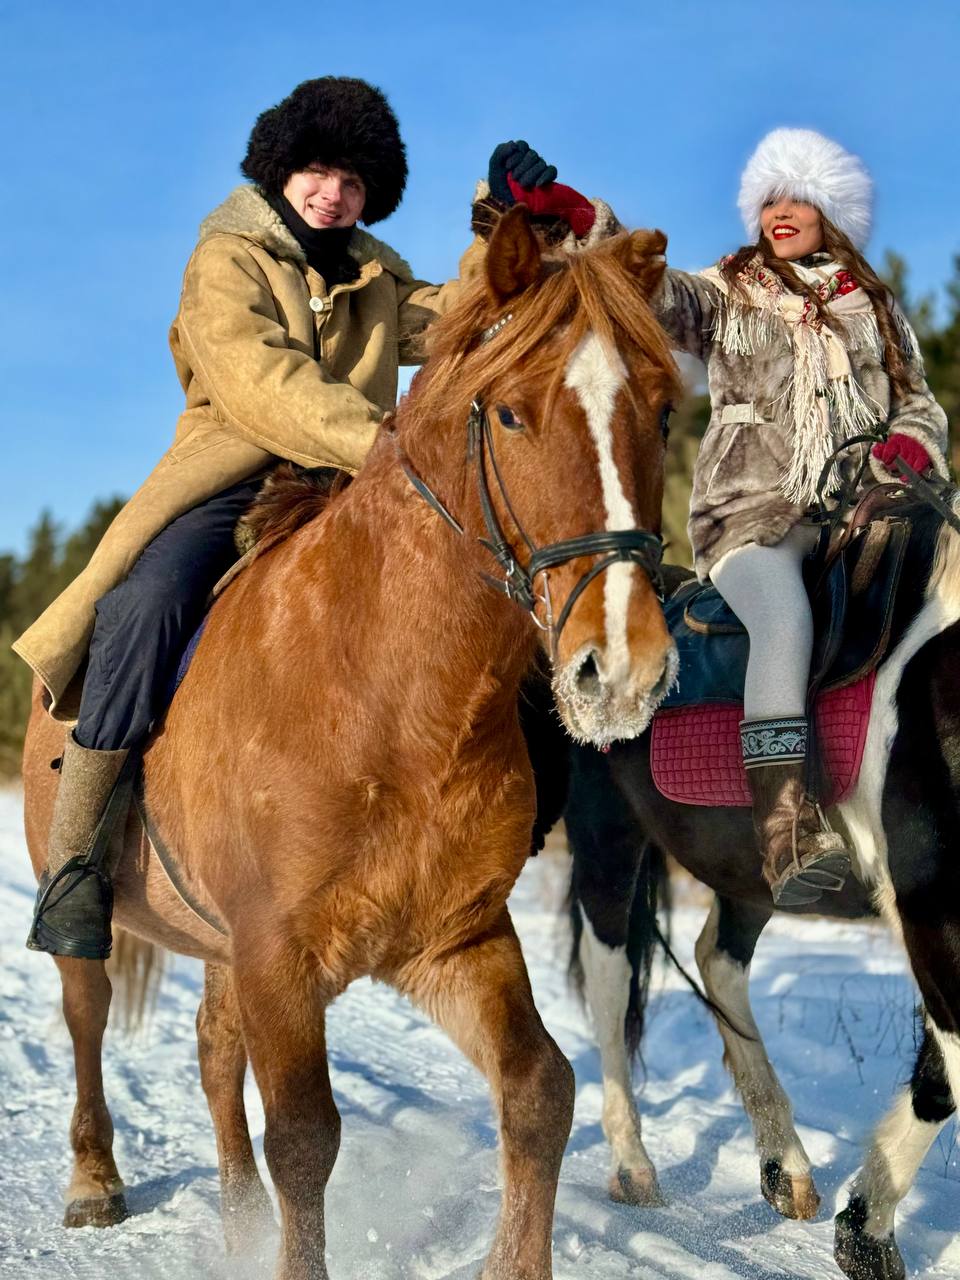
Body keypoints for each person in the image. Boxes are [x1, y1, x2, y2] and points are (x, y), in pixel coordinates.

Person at [15, 78, 606, 960]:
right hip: (234, 479)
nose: (336, 193)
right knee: (149, 603)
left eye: (356, 183)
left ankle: (503, 813)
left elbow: (466, 316)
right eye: (321, 172)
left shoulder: (374, 271)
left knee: (485, 593)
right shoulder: (225, 261)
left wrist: (504, 223)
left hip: (355, 492)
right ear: (283, 169)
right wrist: (386, 442)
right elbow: (263, 384)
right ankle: (80, 859)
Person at [657, 128, 948, 905]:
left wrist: (914, 448)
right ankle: (785, 833)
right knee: (785, 621)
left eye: (798, 198)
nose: (781, 211)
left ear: (829, 212)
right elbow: (650, 290)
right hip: (752, 516)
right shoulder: (724, 290)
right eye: (769, 199)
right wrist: (586, 225)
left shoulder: (872, 304)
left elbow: (915, 398)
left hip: (862, 513)